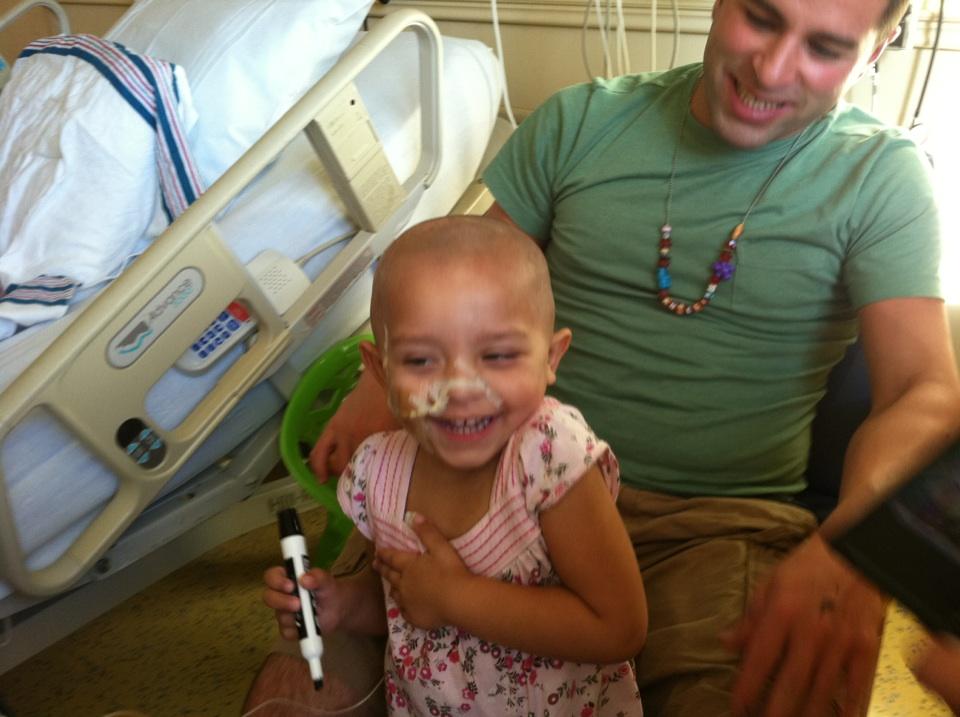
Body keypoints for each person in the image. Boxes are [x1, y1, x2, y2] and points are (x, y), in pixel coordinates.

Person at [247, 0, 960, 714]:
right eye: (761, 18)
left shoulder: (881, 177)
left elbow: (920, 389)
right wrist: (381, 386)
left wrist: (859, 541)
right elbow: (448, 282)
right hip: (489, 475)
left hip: (713, 528)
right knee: (299, 690)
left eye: (825, 48)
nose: (772, 69)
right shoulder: (580, 123)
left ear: (875, 51)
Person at [256, 216, 647, 715]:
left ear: (551, 358)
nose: (460, 390)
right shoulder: (379, 472)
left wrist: (456, 598)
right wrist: (341, 606)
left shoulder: (549, 459)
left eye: (498, 355)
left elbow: (619, 628)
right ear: (380, 370)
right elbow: (405, 604)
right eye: (421, 361)